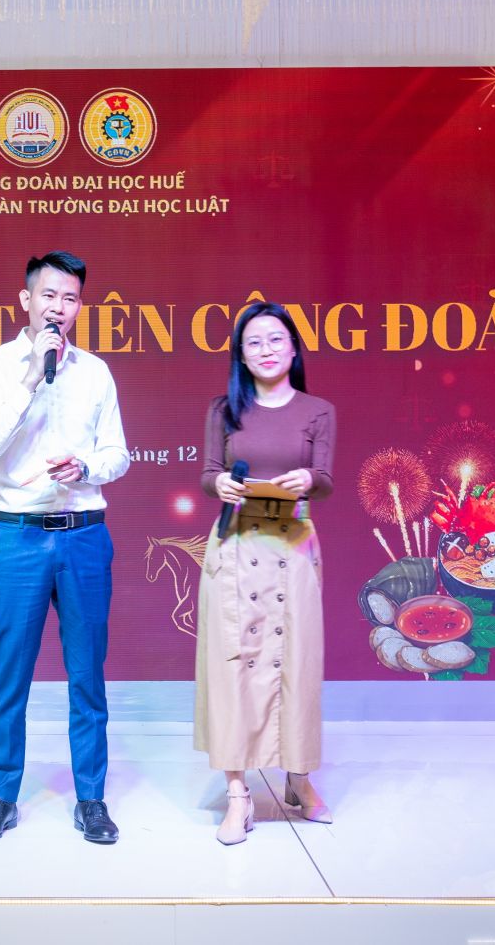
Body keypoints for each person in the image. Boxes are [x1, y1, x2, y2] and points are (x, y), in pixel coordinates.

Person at [0, 251, 131, 845]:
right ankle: (1, 797)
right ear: (26, 300)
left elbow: (118, 454)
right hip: (16, 536)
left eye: (70, 298)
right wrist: (33, 376)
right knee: (9, 676)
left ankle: (91, 798)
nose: (59, 307)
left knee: (87, 675)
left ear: (80, 307)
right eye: (49, 295)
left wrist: (86, 466)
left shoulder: (96, 373)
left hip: (83, 535)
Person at [195, 302, 336, 845]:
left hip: (292, 546)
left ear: (293, 348)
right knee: (232, 666)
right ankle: (238, 794)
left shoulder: (318, 410)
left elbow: (325, 479)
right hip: (236, 544)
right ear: (241, 354)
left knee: (295, 662)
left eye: (276, 339)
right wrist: (219, 485)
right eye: (253, 342)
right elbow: (208, 474)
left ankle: (298, 778)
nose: (266, 350)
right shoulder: (223, 409)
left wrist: (308, 480)